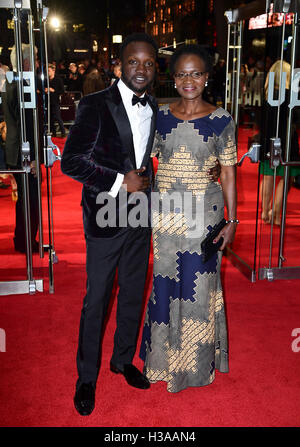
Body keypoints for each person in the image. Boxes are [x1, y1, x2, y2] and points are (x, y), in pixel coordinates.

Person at [61, 33, 159, 416]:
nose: (141, 69)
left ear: (155, 69)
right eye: (134, 62)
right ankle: (86, 377)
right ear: (120, 65)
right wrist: (121, 182)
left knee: (134, 289)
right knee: (97, 298)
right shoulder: (94, 104)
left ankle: (122, 359)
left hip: (140, 215)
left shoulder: (152, 105)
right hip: (105, 215)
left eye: (149, 63)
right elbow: (72, 161)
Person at [139, 44, 238, 393]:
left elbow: (228, 173)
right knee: (165, 286)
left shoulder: (221, 119)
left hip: (204, 217)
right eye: (182, 73)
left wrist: (232, 220)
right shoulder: (160, 115)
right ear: (173, 78)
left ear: (207, 77)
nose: (189, 80)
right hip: (165, 216)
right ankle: (161, 364)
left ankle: (195, 368)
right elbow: (144, 163)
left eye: (196, 73)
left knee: (199, 288)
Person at [1, 44, 40, 252]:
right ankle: (26, 241)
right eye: (34, 59)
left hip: (16, 149)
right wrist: (33, 157)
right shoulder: (22, 84)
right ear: (25, 62)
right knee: (29, 201)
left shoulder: (10, 81)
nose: (36, 64)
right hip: (23, 152)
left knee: (26, 200)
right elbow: (26, 124)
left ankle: (22, 239)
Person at [260, 60, 300, 225]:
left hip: (268, 139)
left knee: (268, 176)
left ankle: (264, 212)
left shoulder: (267, 94)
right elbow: (296, 118)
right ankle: (276, 215)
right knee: (285, 177)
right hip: (286, 141)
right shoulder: (290, 95)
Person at [46, 64, 66, 138]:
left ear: (53, 71)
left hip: (55, 101)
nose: (47, 72)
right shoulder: (46, 80)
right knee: (50, 119)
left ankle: (63, 132)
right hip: (49, 101)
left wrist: (53, 90)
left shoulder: (58, 80)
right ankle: (53, 133)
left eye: (49, 71)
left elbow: (62, 91)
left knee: (58, 117)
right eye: (47, 71)